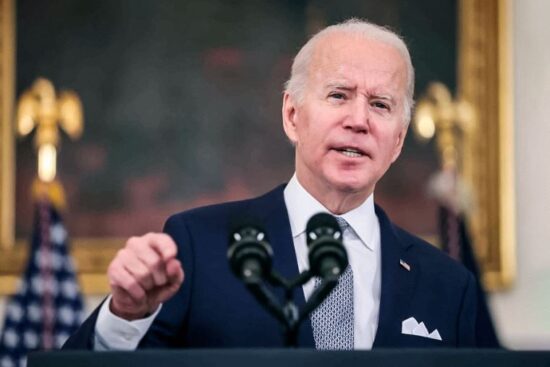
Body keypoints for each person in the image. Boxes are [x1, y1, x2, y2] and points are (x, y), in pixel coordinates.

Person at [63, 18, 477, 350]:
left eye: (380, 104)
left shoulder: (448, 284)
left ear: (398, 140)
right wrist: (125, 316)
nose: (358, 120)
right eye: (338, 95)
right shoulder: (198, 246)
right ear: (292, 115)